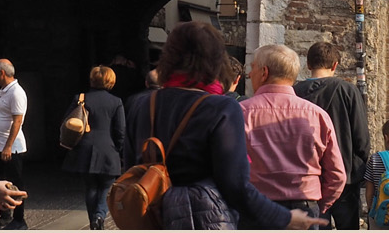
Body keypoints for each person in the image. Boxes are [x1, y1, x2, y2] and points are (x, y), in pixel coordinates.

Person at [121, 21, 327, 229]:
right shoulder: (221, 108)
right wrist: (285, 218)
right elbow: (235, 186)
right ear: (216, 61)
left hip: (151, 218)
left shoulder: (140, 104)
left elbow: (132, 169)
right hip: (203, 220)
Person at [243, 43, 346, 219]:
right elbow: (337, 175)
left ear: (264, 72)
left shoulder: (242, 113)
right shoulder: (317, 115)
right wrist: (318, 206)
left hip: (255, 209)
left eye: (253, 68)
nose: (249, 74)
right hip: (304, 205)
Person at [294, 42, 370, 229]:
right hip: (344, 175)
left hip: (308, 176)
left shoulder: (295, 93)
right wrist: (359, 168)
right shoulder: (348, 91)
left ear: (308, 64)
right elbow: (361, 136)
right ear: (335, 65)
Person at [62, 66, 127, 230]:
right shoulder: (116, 102)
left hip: (84, 149)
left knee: (90, 187)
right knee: (106, 187)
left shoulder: (80, 98)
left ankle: (93, 222)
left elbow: (67, 123)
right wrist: (118, 150)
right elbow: (120, 131)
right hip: (108, 150)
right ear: (110, 81)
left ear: (92, 79)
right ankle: (99, 215)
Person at [0, 59, 28, 230]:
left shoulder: (16, 92)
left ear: (1, 73)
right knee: (0, 183)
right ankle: (5, 217)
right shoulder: (4, 90)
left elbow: (17, 121)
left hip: (11, 148)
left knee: (15, 184)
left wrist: (8, 146)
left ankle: (19, 220)